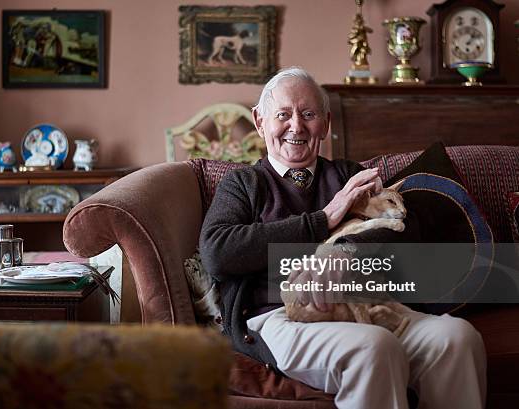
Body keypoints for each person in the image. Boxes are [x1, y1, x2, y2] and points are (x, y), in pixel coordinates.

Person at [199, 67, 486, 409]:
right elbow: (218, 252)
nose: (296, 126)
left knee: (457, 338)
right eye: (283, 115)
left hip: (369, 309)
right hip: (279, 317)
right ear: (260, 122)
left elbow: (403, 229)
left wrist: (344, 253)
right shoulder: (244, 184)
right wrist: (324, 219)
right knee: (374, 347)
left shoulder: (349, 176)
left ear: (326, 122)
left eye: (308, 114)